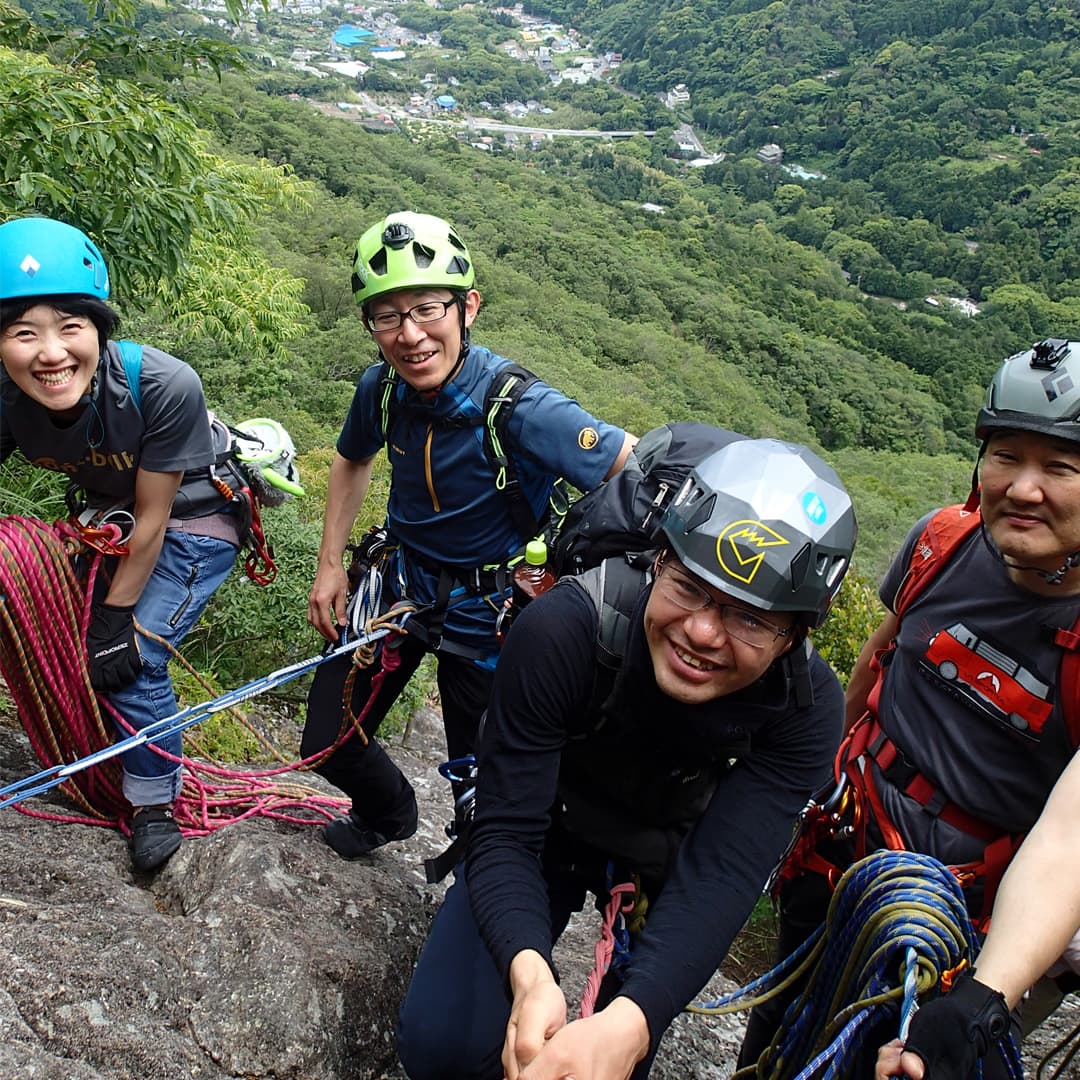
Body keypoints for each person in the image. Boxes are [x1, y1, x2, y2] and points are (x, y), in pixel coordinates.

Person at [396, 436, 857, 1080]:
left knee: (613, 1059)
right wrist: (530, 974)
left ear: (795, 637)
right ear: (658, 559)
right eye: (690, 586)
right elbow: (505, 826)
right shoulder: (566, 629)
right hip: (546, 826)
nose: (702, 632)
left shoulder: (804, 710)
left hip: (663, 851)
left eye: (752, 619)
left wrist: (632, 1020)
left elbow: (723, 874)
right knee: (441, 1047)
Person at [741, 337, 1080, 1080]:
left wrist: (995, 989)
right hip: (846, 838)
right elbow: (875, 663)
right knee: (783, 1023)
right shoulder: (944, 541)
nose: (1023, 488)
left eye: (1060, 467)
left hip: (974, 916)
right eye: (1004, 456)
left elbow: (1071, 836)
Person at [302, 210, 635, 860]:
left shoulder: (517, 404)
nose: (410, 335)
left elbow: (632, 467)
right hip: (400, 585)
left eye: (427, 309)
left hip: (491, 609)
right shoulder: (383, 390)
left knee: (486, 797)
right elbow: (351, 459)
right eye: (388, 316)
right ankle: (389, 814)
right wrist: (329, 564)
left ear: (467, 307)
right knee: (328, 737)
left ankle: (477, 892)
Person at [0, 216, 243, 871]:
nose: (50, 352)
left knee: (130, 657)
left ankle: (153, 805)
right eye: (24, 333)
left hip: (193, 523)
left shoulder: (163, 386)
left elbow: (155, 516)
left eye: (69, 328)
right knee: (86, 646)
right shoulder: (6, 400)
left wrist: (116, 619)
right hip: (112, 520)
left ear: (99, 333)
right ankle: (106, 750)